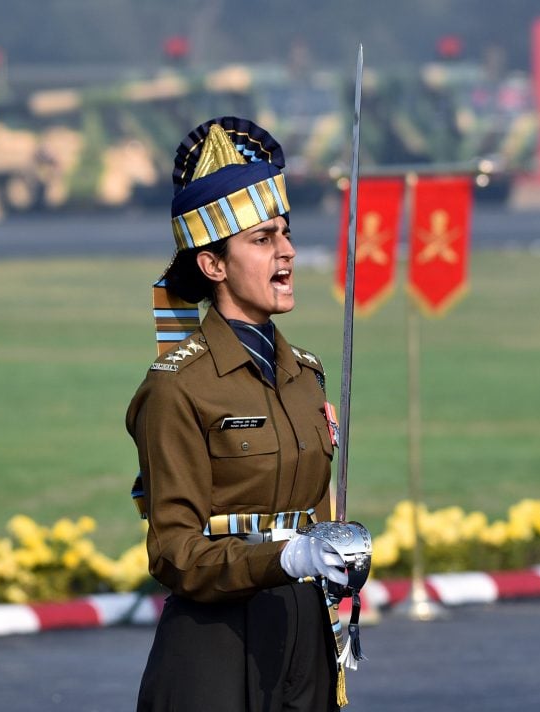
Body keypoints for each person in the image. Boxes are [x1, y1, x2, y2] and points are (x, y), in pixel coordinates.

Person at [125, 116, 351, 711]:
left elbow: (314, 507)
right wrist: (287, 555)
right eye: (262, 239)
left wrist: (337, 556)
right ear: (213, 265)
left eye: (285, 233)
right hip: (215, 649)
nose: (288, 252)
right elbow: (174, 552)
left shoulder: (307, 374)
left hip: (303, 636)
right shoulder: (177, 389)